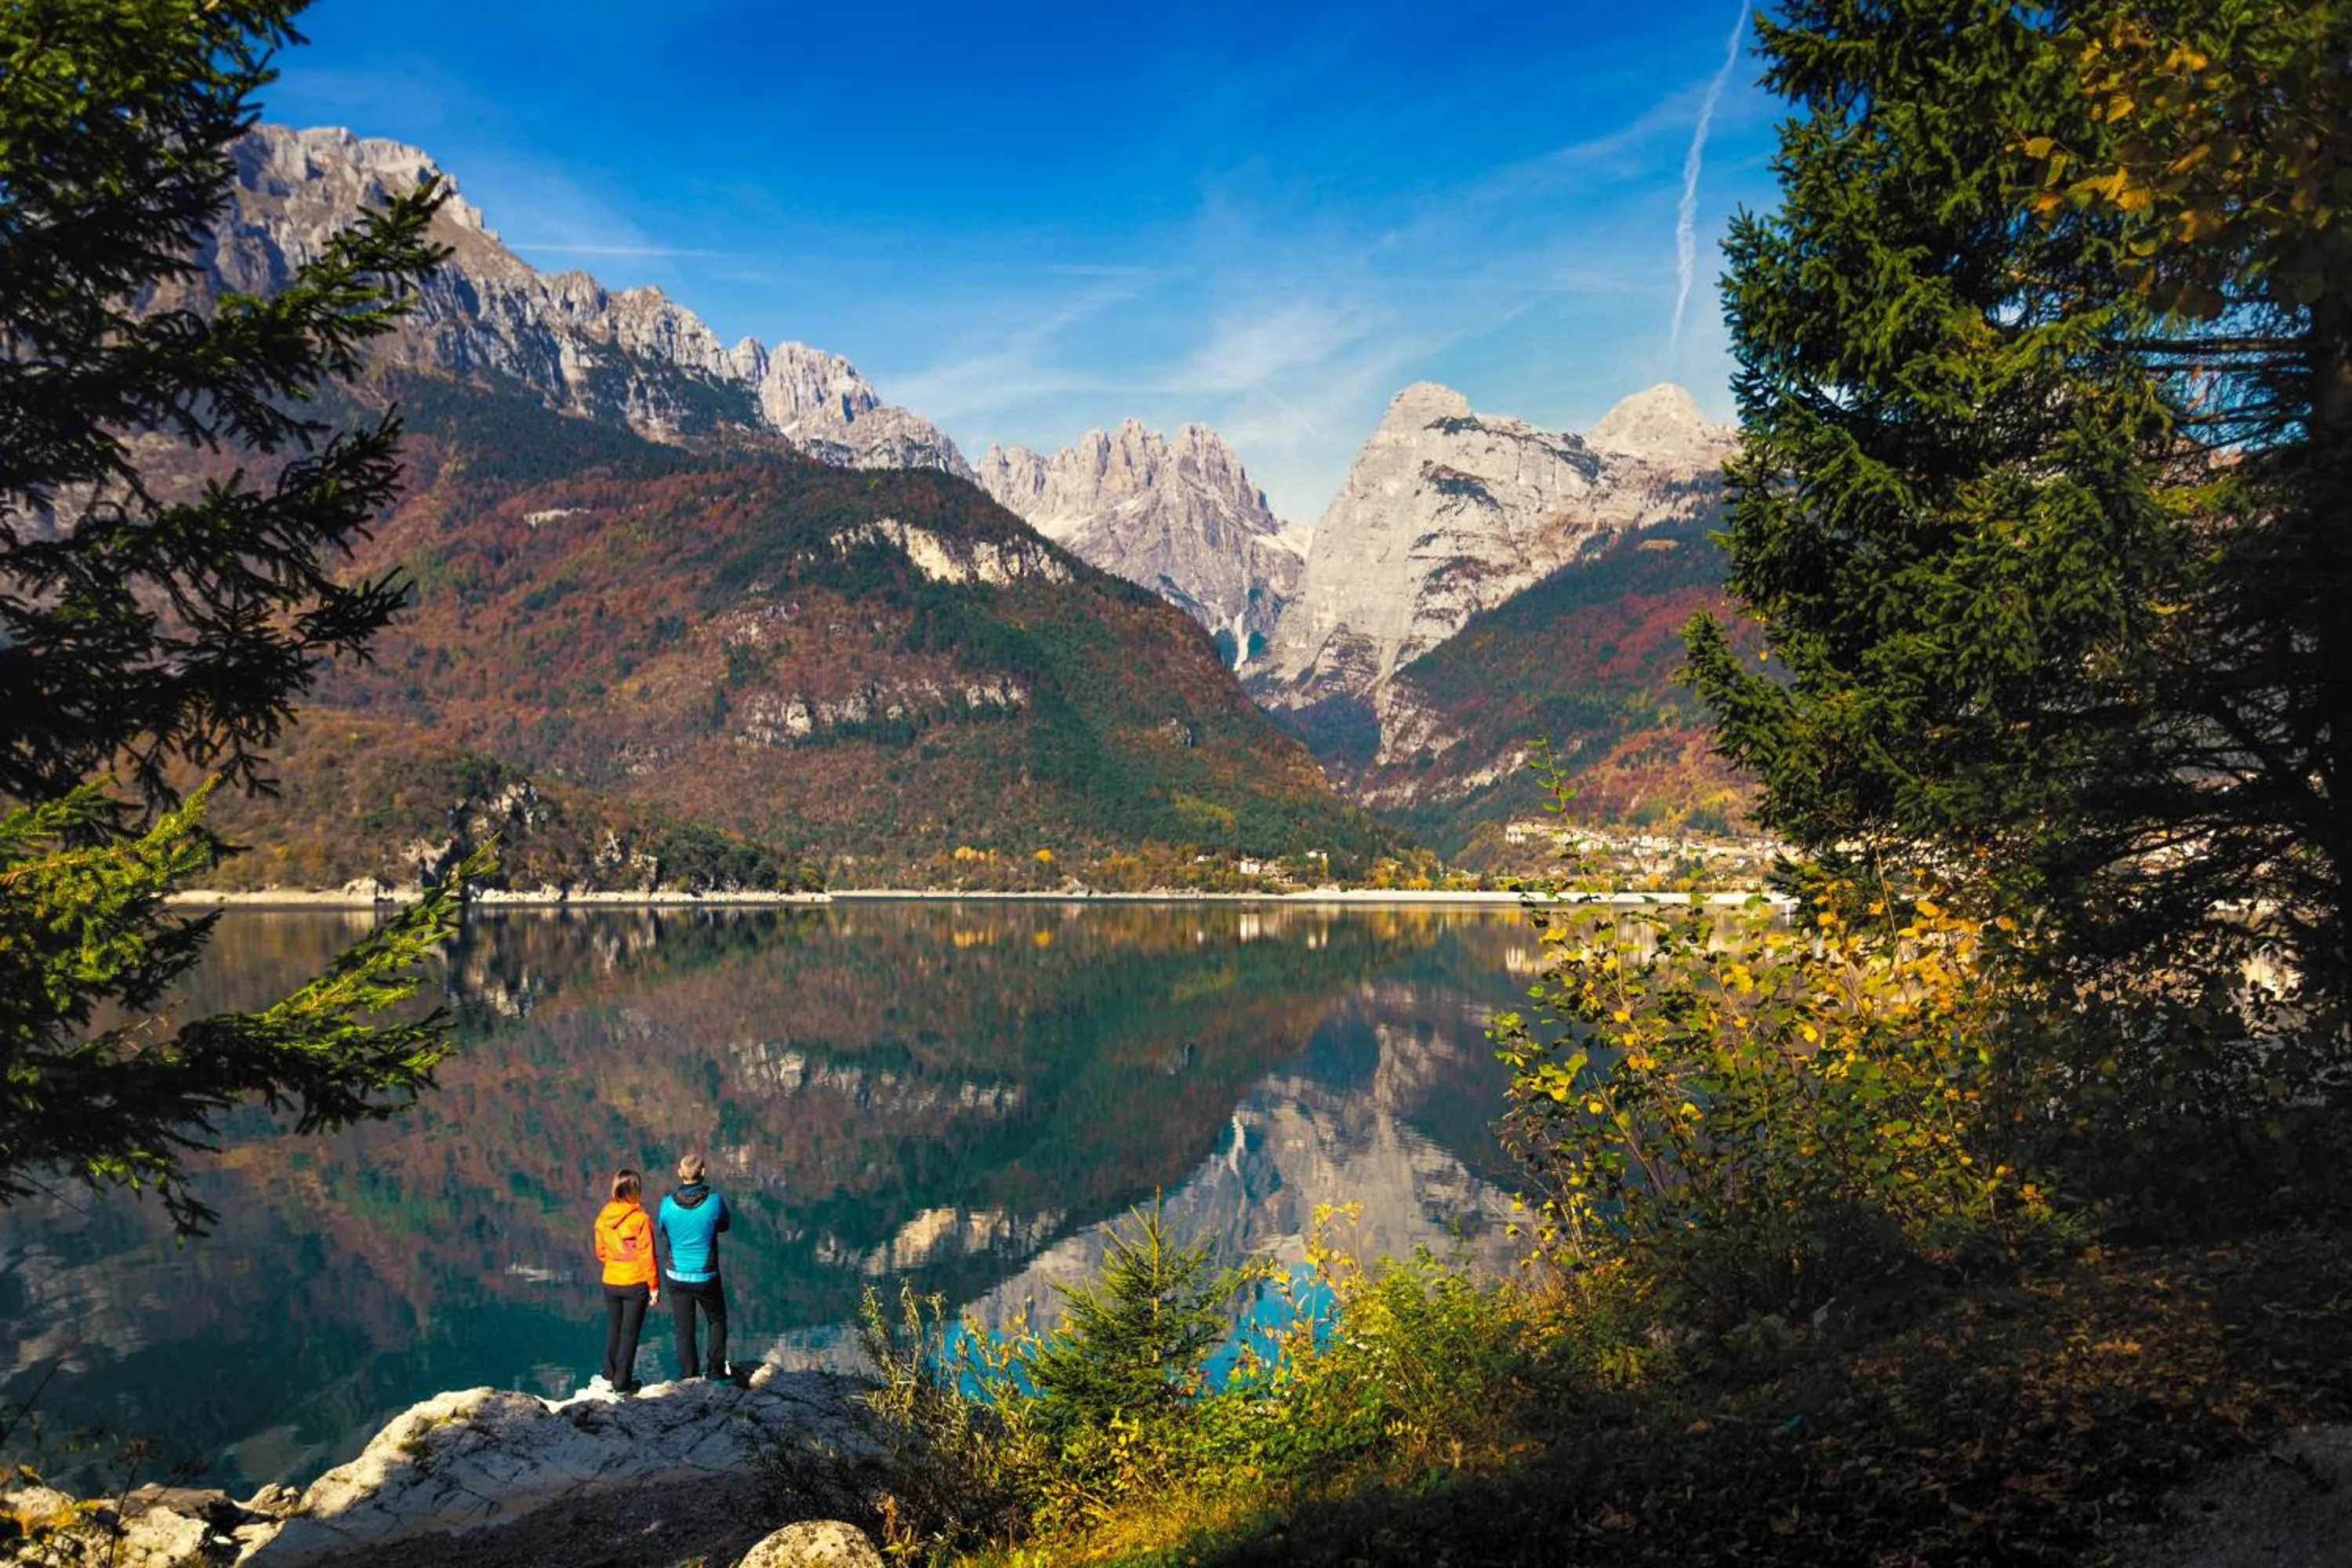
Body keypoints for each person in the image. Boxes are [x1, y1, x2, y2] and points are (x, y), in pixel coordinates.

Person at [655, 1151, 740, 1384]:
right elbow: (724, 1225)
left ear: (680, 1173)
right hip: (706, 1275)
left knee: (684, 1328)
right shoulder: (714, 1201)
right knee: (716, 1320)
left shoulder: (666, 1205)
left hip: (675, 1275)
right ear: (703, 1173)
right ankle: (716, 1373)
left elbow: (664, 1231)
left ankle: (689, 1378)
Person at [592, 1168, 658, 1394]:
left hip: (611, 1279)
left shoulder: (604, 1215)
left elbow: (600, 1252)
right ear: (636, 1190)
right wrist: (654, 1287)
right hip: (635, 1281)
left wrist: (614, 1263)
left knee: (615, 1328)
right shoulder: (641, 1219)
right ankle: (623, 1384)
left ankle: (608, 1374)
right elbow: (647, 1256)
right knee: (629, 1333)